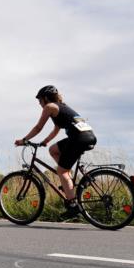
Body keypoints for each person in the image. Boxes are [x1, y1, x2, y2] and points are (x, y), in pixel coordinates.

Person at [15, 85, 96, 220]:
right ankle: (68, 181)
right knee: (53, 150)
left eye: (40, 100)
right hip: (86, 136)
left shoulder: (49, 107)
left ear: (46, 98)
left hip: (78, 138)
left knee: (61, 171)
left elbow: (38, 127)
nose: (39, 103)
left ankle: (73, 206)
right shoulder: (61, 107)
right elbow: (56, 129)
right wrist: (45, 141)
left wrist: (24, 140)